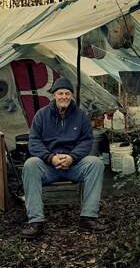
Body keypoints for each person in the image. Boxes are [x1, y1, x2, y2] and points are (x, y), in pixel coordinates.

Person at [21, 77, 106, 239]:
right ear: (54, 95)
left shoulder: (81, 116)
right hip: (49, 167)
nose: (64, 97)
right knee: (30, 164)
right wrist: (50, 158)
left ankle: (88, 218)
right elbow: (34, 142)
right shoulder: (41, 115)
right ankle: (36, 221)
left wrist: (72, 157)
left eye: (67, 93)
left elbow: (86, 140)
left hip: (73, 165)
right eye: (60, 93)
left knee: (96, 163)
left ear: (72, 96)